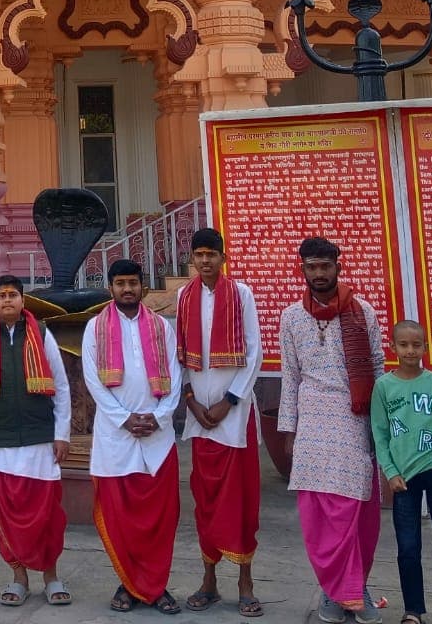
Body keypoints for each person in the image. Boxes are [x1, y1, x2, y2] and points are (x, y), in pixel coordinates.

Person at [279, 236, 386, 624]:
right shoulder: (291, 317)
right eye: (312, 267)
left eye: (326, 266)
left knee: (355, 511)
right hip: (311, 422)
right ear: (303, 269)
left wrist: (380, 427)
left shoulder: (364, 313)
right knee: (318, 514)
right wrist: (288, 431)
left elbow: (376, 370)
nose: (319, 274)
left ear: (338, 267)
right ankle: (332, 589)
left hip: (354, 420)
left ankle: (356, 588)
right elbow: (290, 376)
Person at [0, 273, 73, 609]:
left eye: (13, 294)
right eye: (1, 295)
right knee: (7, 515)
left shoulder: (41, 334)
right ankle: (19, 578)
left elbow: (62, 386)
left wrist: (61, 434)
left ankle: (52, 577)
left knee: (46, 514)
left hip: (40, 438)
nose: (7, 300)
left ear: (23, 300)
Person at [82, 259, 184, 615]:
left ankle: (157, 586)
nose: (127, 289)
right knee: (121, 517)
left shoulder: (162, 327)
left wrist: (158, 418)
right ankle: (129, 583)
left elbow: (176, 375)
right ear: (110, 287)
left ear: (142, 286)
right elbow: (93, 382)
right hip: (115, 437)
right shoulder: (94, 328)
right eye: (120, 283)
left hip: (158, 437)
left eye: (133, 282)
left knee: (160, 516)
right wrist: (124, 419)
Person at [177, 227, 264, 616]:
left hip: (235, 416)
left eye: (213, 253)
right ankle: (209, 580)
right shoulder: (183, 297)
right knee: (205, 500)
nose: (206, 260)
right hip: (200, 418)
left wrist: (229, 402)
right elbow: (179, 355)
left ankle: (245, 581)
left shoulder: (241, 294)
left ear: (223, 258)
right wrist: (192, 402)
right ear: (192, 259)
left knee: (241, 500)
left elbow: (254, 352)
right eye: (199, 254)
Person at [371, 320, 432, 624]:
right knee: (408, 547)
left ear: (426, 347)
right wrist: (390, 472)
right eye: (403, 344)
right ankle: (412, 611)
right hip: (403, 479)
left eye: (417, 344)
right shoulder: (384, 386)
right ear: (392, 347)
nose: (410, 350)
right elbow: (380, 433)